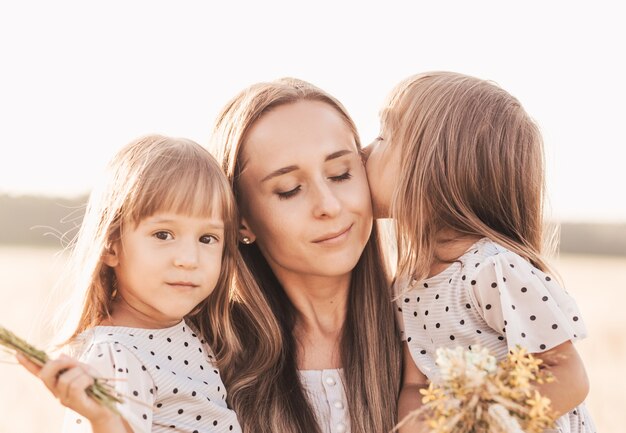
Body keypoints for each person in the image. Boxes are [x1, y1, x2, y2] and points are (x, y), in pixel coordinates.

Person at [364, 71, 596, 433]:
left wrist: (482, 423)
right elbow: (416, 384)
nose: (363, 151)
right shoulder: (407, 284)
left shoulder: (492, 270)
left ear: (435, 167)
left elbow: (567, 374)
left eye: (382, 136)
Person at [17, 134, 279, 433]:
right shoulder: (117, 354)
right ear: (111, 245)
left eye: (207, 238)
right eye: (163, 235)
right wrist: (103, 420)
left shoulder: (186, 329)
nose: (188, 259)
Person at [208, 77, 402, 433]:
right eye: (289, 190)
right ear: (241, 221)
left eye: (341, 174)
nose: (328, 206)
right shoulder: (203, 355)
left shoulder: (433, 325)